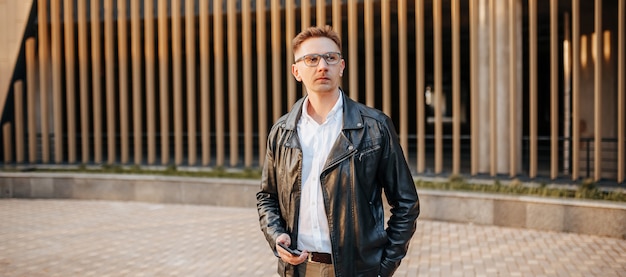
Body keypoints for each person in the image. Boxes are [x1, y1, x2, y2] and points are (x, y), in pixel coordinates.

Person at [257, 25, 420, 277]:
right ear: (296, 71)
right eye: (311, 59)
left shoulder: (375, 127)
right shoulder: (282, 131)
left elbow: (406, 203)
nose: (323, 66)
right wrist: (277, 236)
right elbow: (267, 197)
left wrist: (384, 267)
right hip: (298, 269)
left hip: (358, 270)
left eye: (330, 57)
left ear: (341, 66)